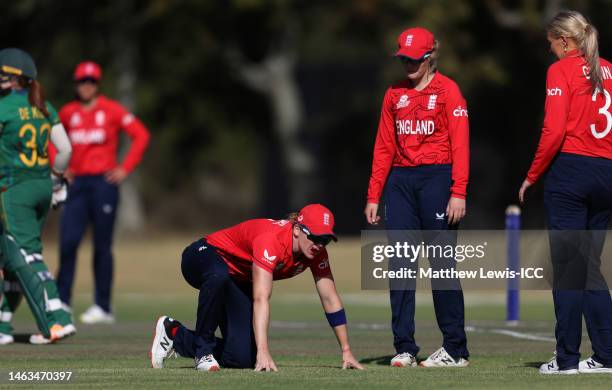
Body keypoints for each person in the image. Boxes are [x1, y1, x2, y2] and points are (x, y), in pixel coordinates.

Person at [364, 27, 470, 367]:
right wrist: (374, 193)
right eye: (403, 59)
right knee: (400, 266)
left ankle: (455, 349)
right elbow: (383, 146)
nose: (408, 65)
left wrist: (458, 191)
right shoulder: (394, 94)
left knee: (441, 267)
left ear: (429, 57)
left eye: (414, 59)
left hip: (438, 180)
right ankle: (404, 346)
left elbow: (461, 145)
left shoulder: (449, 91)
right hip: (400, 183)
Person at [150, 204, 364, 372]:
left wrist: (346, 350)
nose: (319, 244)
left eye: (325, 240)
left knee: (241, 358)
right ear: (298, 230)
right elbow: (261, 297)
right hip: (202, 256)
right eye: (316, 237)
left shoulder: (316, 254)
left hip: (236, 278)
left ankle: (174, 334)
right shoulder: (271, 240)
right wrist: (264, 351)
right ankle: (203, 352)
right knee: (219, 275)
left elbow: (329, 298)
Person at [519, 10, 612, 375]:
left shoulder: (561, 70)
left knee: (568, 270)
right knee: (590, 268)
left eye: (551, 45)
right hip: (607, 173)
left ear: (563, 40)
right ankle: (606, 356)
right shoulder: (609, 69)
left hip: (572, 172)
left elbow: (554, 130)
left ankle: (567, 359)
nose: (551, 52)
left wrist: (531, 175)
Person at [54, 61, 150, 324]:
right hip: (76, 184)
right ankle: (61, 302)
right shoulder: (67, 112)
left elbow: (140, 135)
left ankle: (103, 306)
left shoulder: (111, 109)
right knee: (68, 242)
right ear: (76, 83)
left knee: (102, 246)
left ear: (97, 84)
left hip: (103, 184)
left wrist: (125, 168)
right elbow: (49, 139)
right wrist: (60, 168)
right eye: (82, 81)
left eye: (91, 81)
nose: (86, 86)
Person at [0, 48, 75, 344]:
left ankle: (59, 318)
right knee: (11, 259)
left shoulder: (4, 107)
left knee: (26, 256)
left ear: (19, 78)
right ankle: (3, 325)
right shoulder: (43, 105)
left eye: (5, 73)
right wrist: (57, 181)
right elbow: (65, 150)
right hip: (43, 186)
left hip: (14, 189)